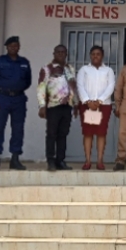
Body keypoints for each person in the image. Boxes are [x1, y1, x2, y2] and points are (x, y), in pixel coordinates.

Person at [0, 36, 32, 171]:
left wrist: (17, 88)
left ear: (19, 47)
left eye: (16, 46)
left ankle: (15, 159)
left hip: (19, 99)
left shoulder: (24, 62)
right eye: (11, 46)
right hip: (2, 98)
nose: (13, 48)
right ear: (7, 47)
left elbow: (28, 81)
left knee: (18, 129)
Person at [36, 44, 78, 172]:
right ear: (54, 54)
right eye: (58, 52)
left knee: (63, 134)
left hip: (67, 106)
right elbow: (41, 87)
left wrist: (75, 104)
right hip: (53, 106)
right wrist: (42, 105)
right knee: (51, 134)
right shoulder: (47, 69)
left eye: (63, 52)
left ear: (66, 54)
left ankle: (60, 160)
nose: (61, 54)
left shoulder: (70, 68)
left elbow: (73, 87)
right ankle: (51, 161)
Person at [76, 45, 116, 170]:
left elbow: (111, 86)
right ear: (90, 55)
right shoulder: (84, 70)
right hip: (87, 106)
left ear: (102, 56)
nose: (95, 56)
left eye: (98, 54)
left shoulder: (108, 70)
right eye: (93, 54)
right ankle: (88, 161)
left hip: (103, 106)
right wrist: (88, 101)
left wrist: (99, 100)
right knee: (88, 133)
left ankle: (99, 161)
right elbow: (80, 85)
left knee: (101, 133)